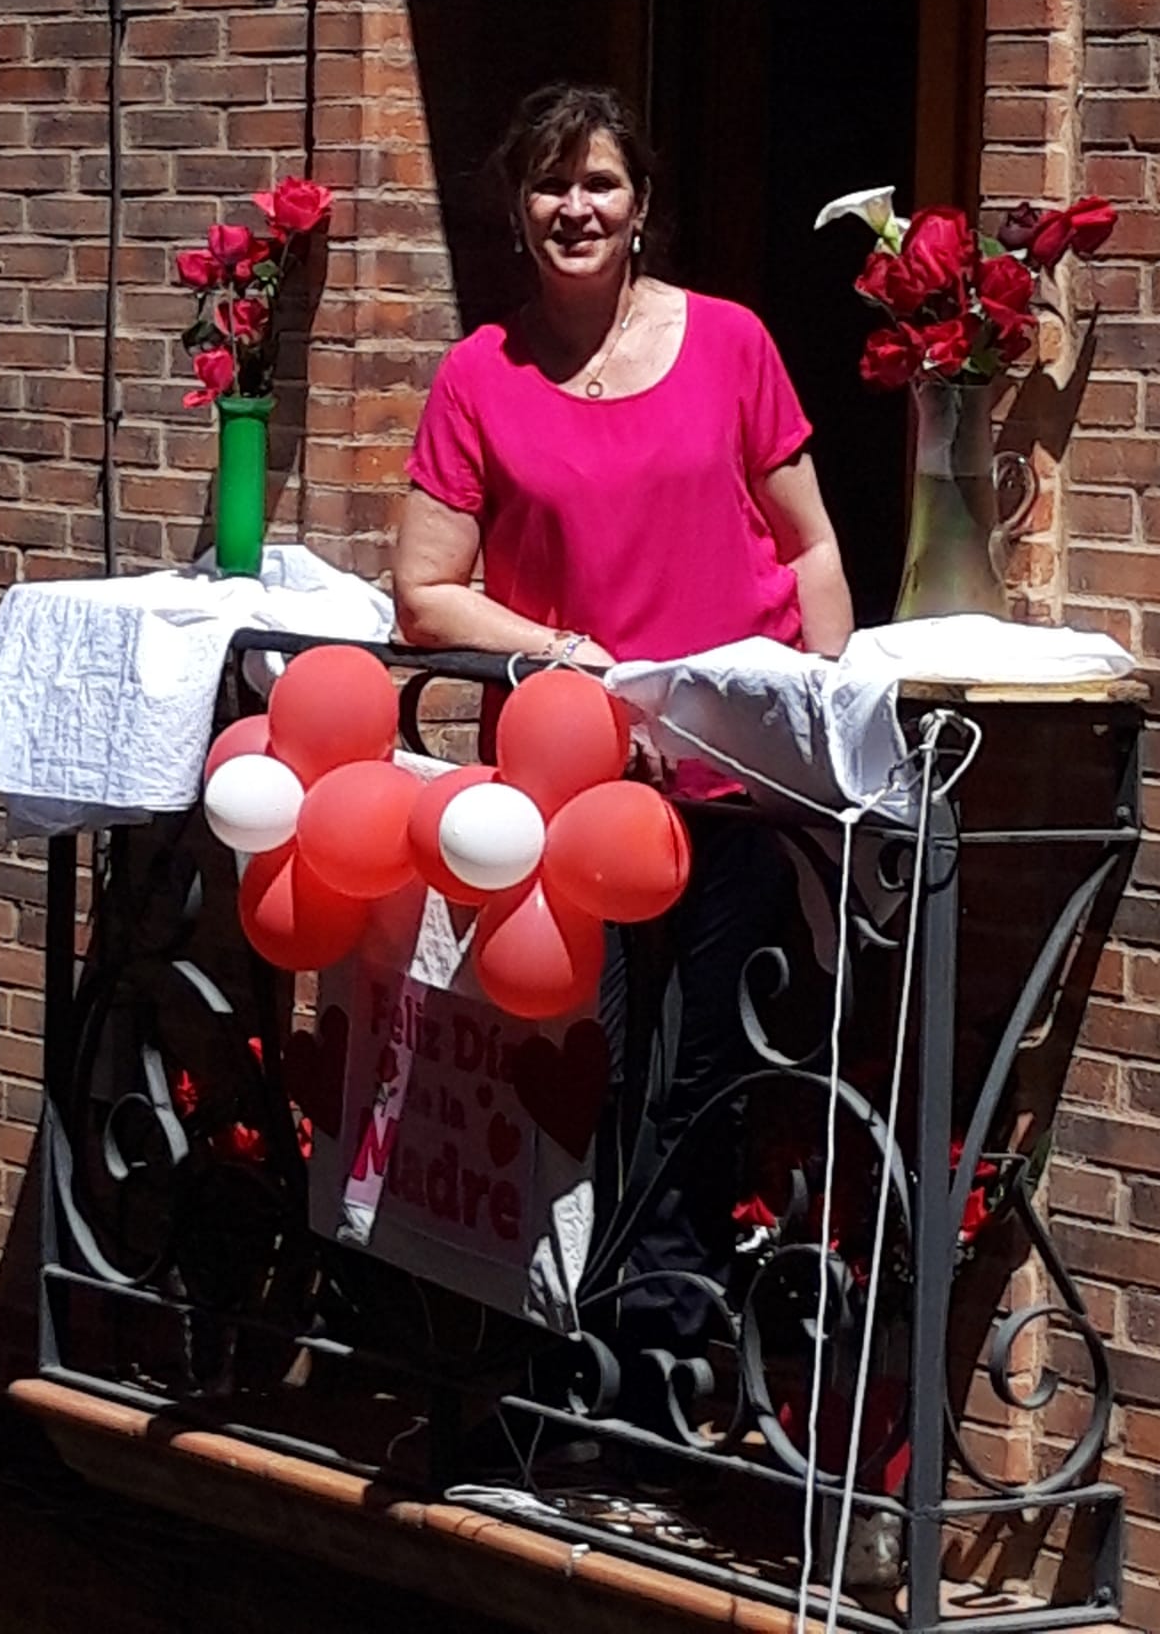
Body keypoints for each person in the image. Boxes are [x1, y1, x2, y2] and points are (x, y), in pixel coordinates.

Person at [394, 81, 853, 1368]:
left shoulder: (730, 343)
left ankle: (665, 1354)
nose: (574, 207)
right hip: (577, 792)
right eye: (548, 185)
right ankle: (564, 1347)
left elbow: (811, 547)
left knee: (709, 1069)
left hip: (732, 781)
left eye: (598, 181)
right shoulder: (480, 375)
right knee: (584, 1068)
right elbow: (426, 590)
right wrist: (562, 654)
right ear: (515, 210)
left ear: (640, 202)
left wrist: (823, 711)